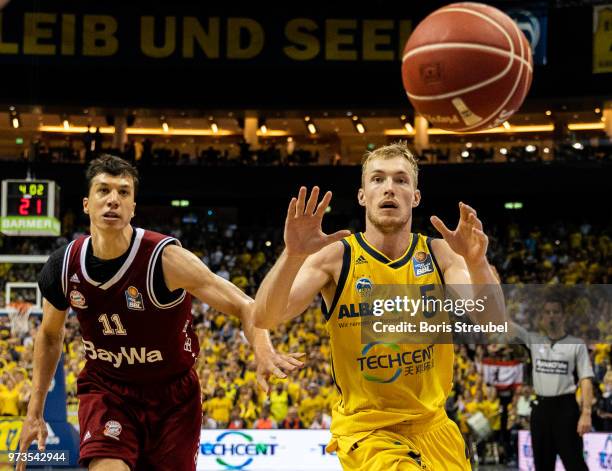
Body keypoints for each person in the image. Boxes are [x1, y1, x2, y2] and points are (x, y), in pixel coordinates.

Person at [18, 154, 303, 471]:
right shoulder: (63, 265)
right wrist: (35, 411)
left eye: (123, 192)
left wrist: (262, 349)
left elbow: (243, 304)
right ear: (86, 204)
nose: (113, 200)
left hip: (172, 398)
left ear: (133, 207)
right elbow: (48, 335)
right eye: (104, 190)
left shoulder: (165, 259)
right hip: (108, 390)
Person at [254, 142, 502, 470]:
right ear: (362, 195)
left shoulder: (441, 255)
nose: (389, 188)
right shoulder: (335, 258)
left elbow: (493, 321)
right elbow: (266, 316)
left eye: (401, 180)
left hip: (435, 428)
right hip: (368, 430)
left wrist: (477, 262)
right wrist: (292, 255)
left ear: (415, 197)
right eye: (378, 179)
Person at [511, 297, 594, 471]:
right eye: (547, 312)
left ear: (563, 316)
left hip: (566, 408)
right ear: (542, 317)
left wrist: (586, 412)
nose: (551, 316)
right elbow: (504, 322)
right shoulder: (533, 340)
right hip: (541, 408)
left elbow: (586, 379)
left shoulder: (576, 345)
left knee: (574, 463)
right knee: (542, 464)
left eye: (556, 312)